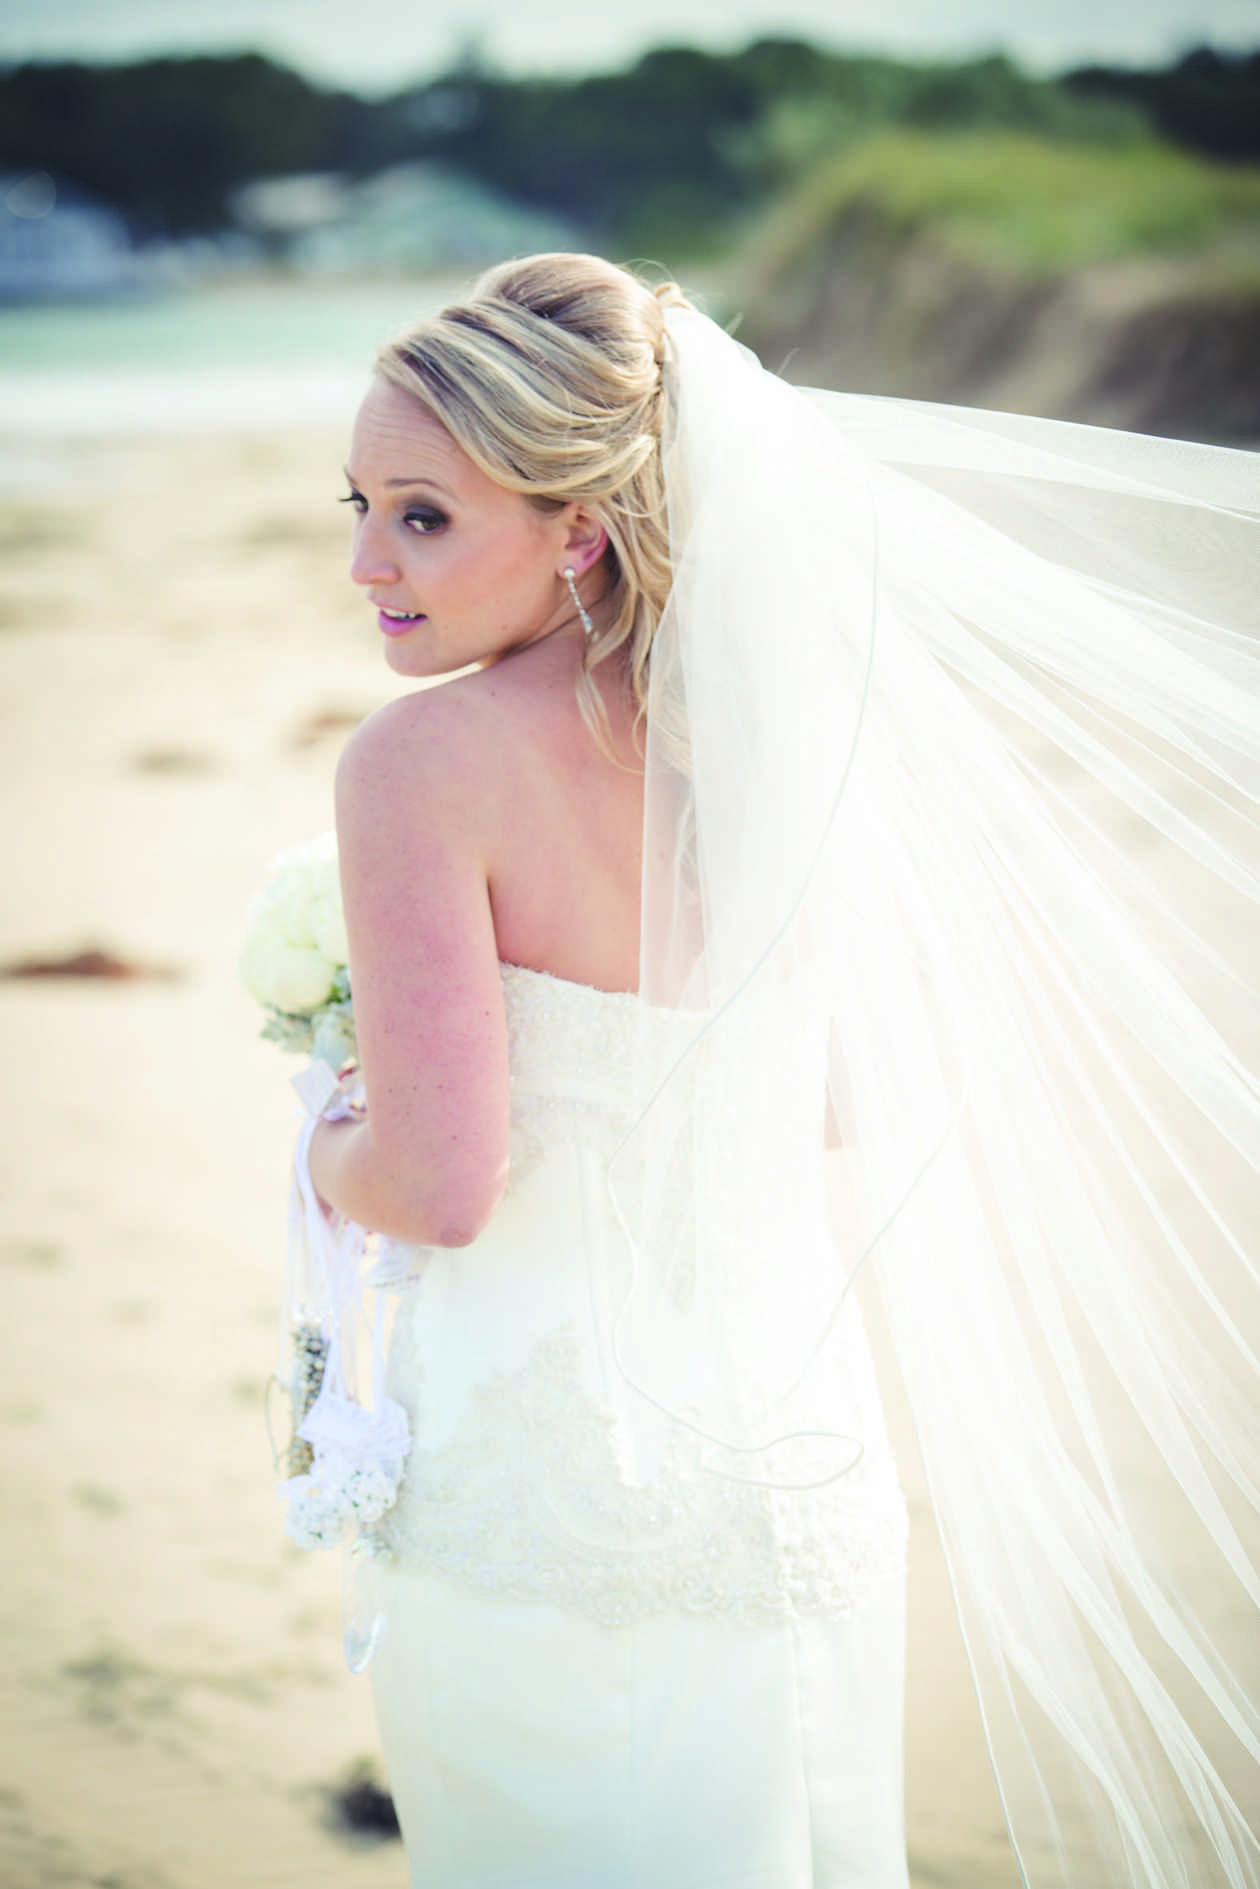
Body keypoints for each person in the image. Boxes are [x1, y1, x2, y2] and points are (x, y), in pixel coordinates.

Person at [292, 253, 1259, 1887]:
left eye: (424, 515)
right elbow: (843, 1097)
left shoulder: (421, 766)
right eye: (361, 507)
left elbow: (442, 1188)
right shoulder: (772, 740)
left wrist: (330, 1133)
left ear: (580, 524)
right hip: (797, 1464)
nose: (368, 561)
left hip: (540, 1492)